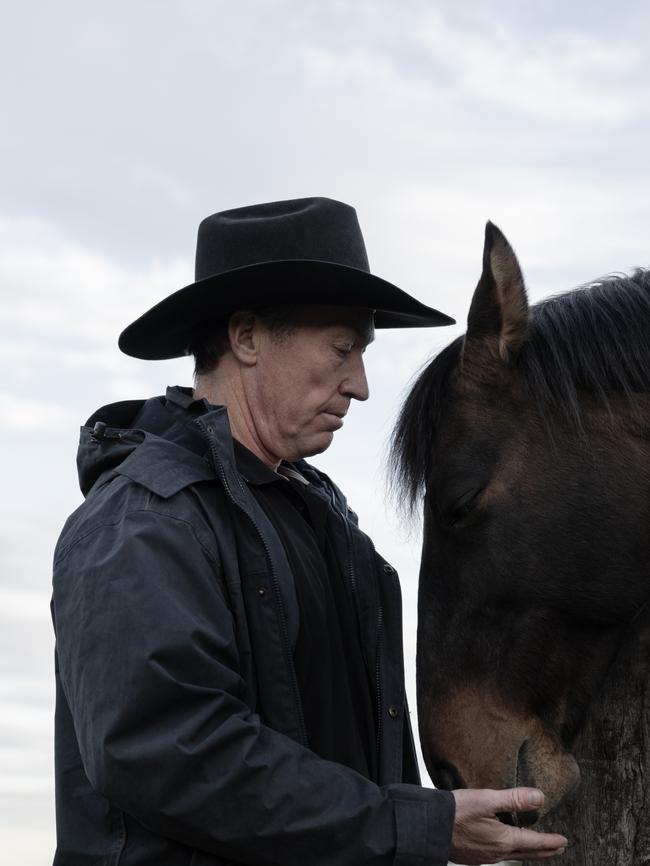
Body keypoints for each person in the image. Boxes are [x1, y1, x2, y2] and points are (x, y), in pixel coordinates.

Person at [51, 197, 568, 865]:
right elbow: (168, 753)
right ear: (246, 337)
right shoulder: (142, 518)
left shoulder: (324, 521)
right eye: (342, 348)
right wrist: (415, 828)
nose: (360, 385)